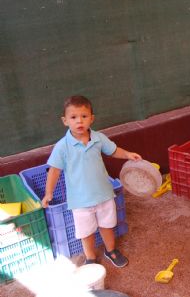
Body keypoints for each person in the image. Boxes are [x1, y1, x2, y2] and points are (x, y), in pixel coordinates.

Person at [41, 95, 142, 267]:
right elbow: (54, 171)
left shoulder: (98, 138)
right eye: (73, 117)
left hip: (104, 194)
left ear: (92, 119)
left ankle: (110, 251)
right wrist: (48, 193)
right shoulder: (62, 146)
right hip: (80, 201)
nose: (79, 121)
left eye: (84, 116)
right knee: (86, 232)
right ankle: (90, 258)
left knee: (107, 225)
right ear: (65, 121)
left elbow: (113, 150)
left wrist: (127, 154)